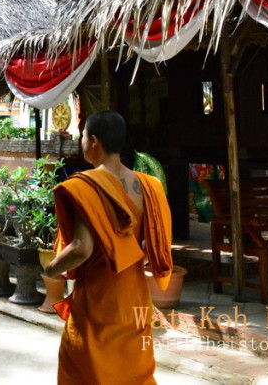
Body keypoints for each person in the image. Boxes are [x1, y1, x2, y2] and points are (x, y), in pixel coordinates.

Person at [42, 110, 173, 384]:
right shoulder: (150, 186)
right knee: (132, 373)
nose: (82, 142)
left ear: (94, 142)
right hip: (135, 297)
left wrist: (51, 269)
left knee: (85, 370)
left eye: (83, 136)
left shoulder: (86, 186)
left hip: (98, 298)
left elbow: (81, 248)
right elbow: (154, 245)